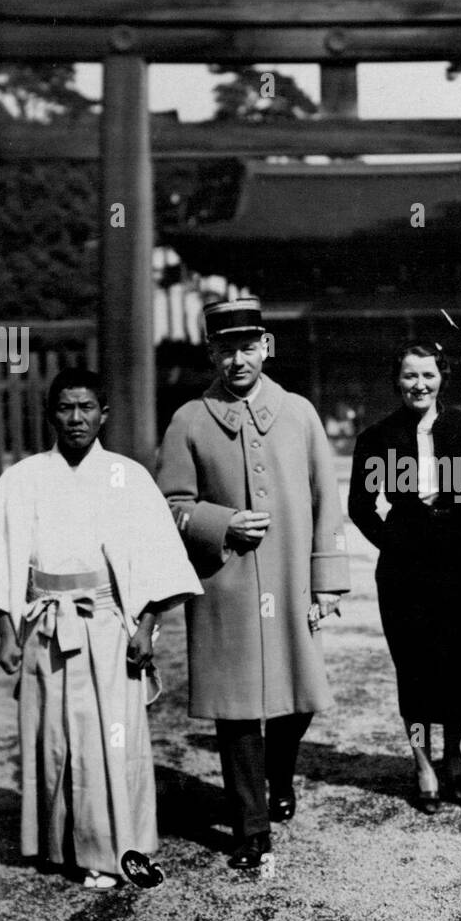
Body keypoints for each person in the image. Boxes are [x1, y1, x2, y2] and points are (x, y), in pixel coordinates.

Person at [0, 368, 202, 889]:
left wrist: (146, 626)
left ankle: (115, 849)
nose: (76, 418)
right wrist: (8, 631)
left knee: (110, 741)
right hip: (45, 623)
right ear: (50, 414)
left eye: (87, 407)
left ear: (104, 414)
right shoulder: (24, 477)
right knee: (52, 736)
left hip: (107, 624)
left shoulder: (127, 475)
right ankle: (58, 845)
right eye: (65, 408)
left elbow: (156, 558)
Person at [157, 298, 349, 869]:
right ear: (210, 351)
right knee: (237, 709)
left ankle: (279, 775)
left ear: (265, 345)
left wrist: (328, 582)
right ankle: (250, 826)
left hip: (291, 579)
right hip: (226, 582)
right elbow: (170, 505)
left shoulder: (299, 413)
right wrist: (222, 522)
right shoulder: (189, 419)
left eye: (248, 346)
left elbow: (326, 501)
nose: (237, 359)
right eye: (225, 348)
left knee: (298, 697)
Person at [348, 341, 461, 811]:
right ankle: (422, 760)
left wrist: (459, 521)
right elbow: (360, 506)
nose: (419, 385)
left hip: (455, 564)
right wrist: (395, 541)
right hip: (402, 567)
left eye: (428, 376)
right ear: (398, 381)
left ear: (442, 378)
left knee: (455, 661)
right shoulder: (379, 437)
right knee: (412, 667)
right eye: (411, 376)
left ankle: (454, 754)